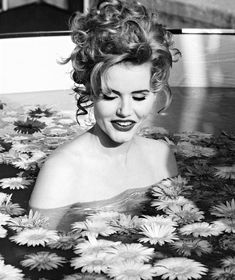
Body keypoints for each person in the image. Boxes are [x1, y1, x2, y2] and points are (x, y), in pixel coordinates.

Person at [29, 0, 180, 231]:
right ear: (90, 91)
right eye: (110, 96)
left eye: (139, 97)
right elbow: (35, 249)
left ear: (156, 91)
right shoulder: (61, 171)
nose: (125, 111)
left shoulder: (162, 157)